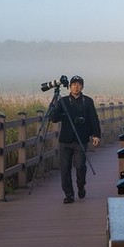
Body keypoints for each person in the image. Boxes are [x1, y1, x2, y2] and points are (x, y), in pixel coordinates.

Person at [50, 75, 101, 204]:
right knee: (65, 168)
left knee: (80, 166)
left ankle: (81, 186)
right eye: (73, 84)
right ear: (69, 87)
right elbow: (54, 118)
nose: (76, 86)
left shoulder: (88, 101)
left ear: (82, 86)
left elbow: (94, 119)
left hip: (81, 138)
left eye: (78, 84)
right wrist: (55, 103)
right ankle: (69, 194)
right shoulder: (63, 101)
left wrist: (96, 135)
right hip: (65, 139)